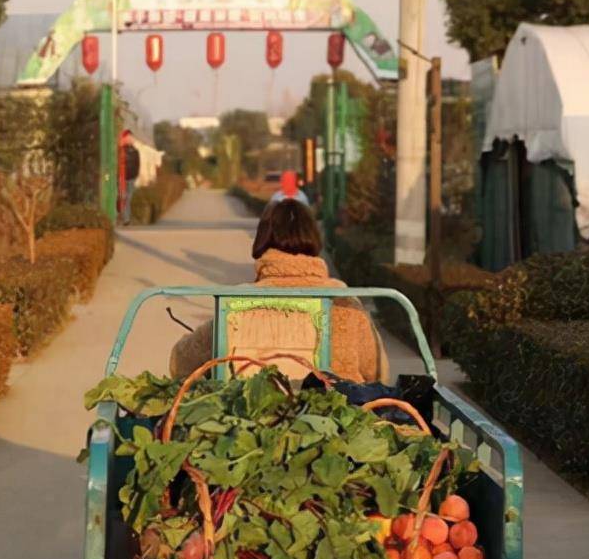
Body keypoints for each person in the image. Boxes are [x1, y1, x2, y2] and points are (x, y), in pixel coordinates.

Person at [170, 199, 389, 382]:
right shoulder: (343, 300)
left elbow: (180, 363)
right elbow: (378, 371)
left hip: (251, 424)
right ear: (314, 238)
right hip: (340, 424)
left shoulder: (239, 302)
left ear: (262, 240)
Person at [118, 130, 141, 225]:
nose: (131, 139)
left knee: (128, 198)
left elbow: (137, 164)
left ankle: (126, 218)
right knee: (122, 197)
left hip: (131, 178)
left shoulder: (135, 151)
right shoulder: (120, 150)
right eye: (128, 137)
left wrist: (135, 175)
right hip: (122, 178)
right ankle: (123, 217)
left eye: (131, 137)